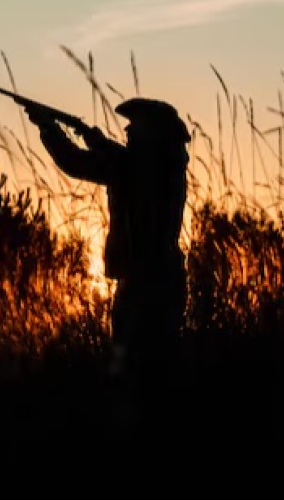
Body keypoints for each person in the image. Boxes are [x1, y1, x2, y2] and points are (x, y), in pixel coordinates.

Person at [25, 97, 191, 384]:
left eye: (136, 126)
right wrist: (93, 138)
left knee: (135, 373)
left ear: (154, 133)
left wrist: (49, 128)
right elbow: (119, 159)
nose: (128, 131)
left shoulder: (140, 167)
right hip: (162, 278)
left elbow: (74, 162)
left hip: (143, 282)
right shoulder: (166, 165)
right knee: (158, 371)